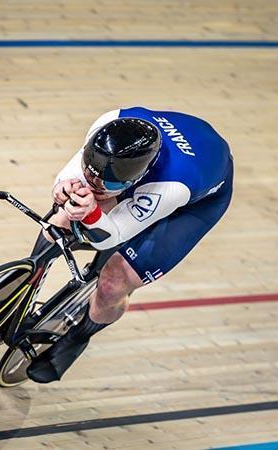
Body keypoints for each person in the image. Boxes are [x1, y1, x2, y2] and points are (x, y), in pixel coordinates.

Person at [26, 106, 234, 383]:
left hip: (193, 203)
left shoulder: (172, 187)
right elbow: (67, 179)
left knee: (115, 281)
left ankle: (78, 337)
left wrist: (90, 212)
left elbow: (111, 237)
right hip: (161, 160)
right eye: (93, 176)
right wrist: (64, 188)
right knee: (62, 219)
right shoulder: (108, 124)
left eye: (105, 184)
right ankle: (24, 285)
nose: (96, 185)